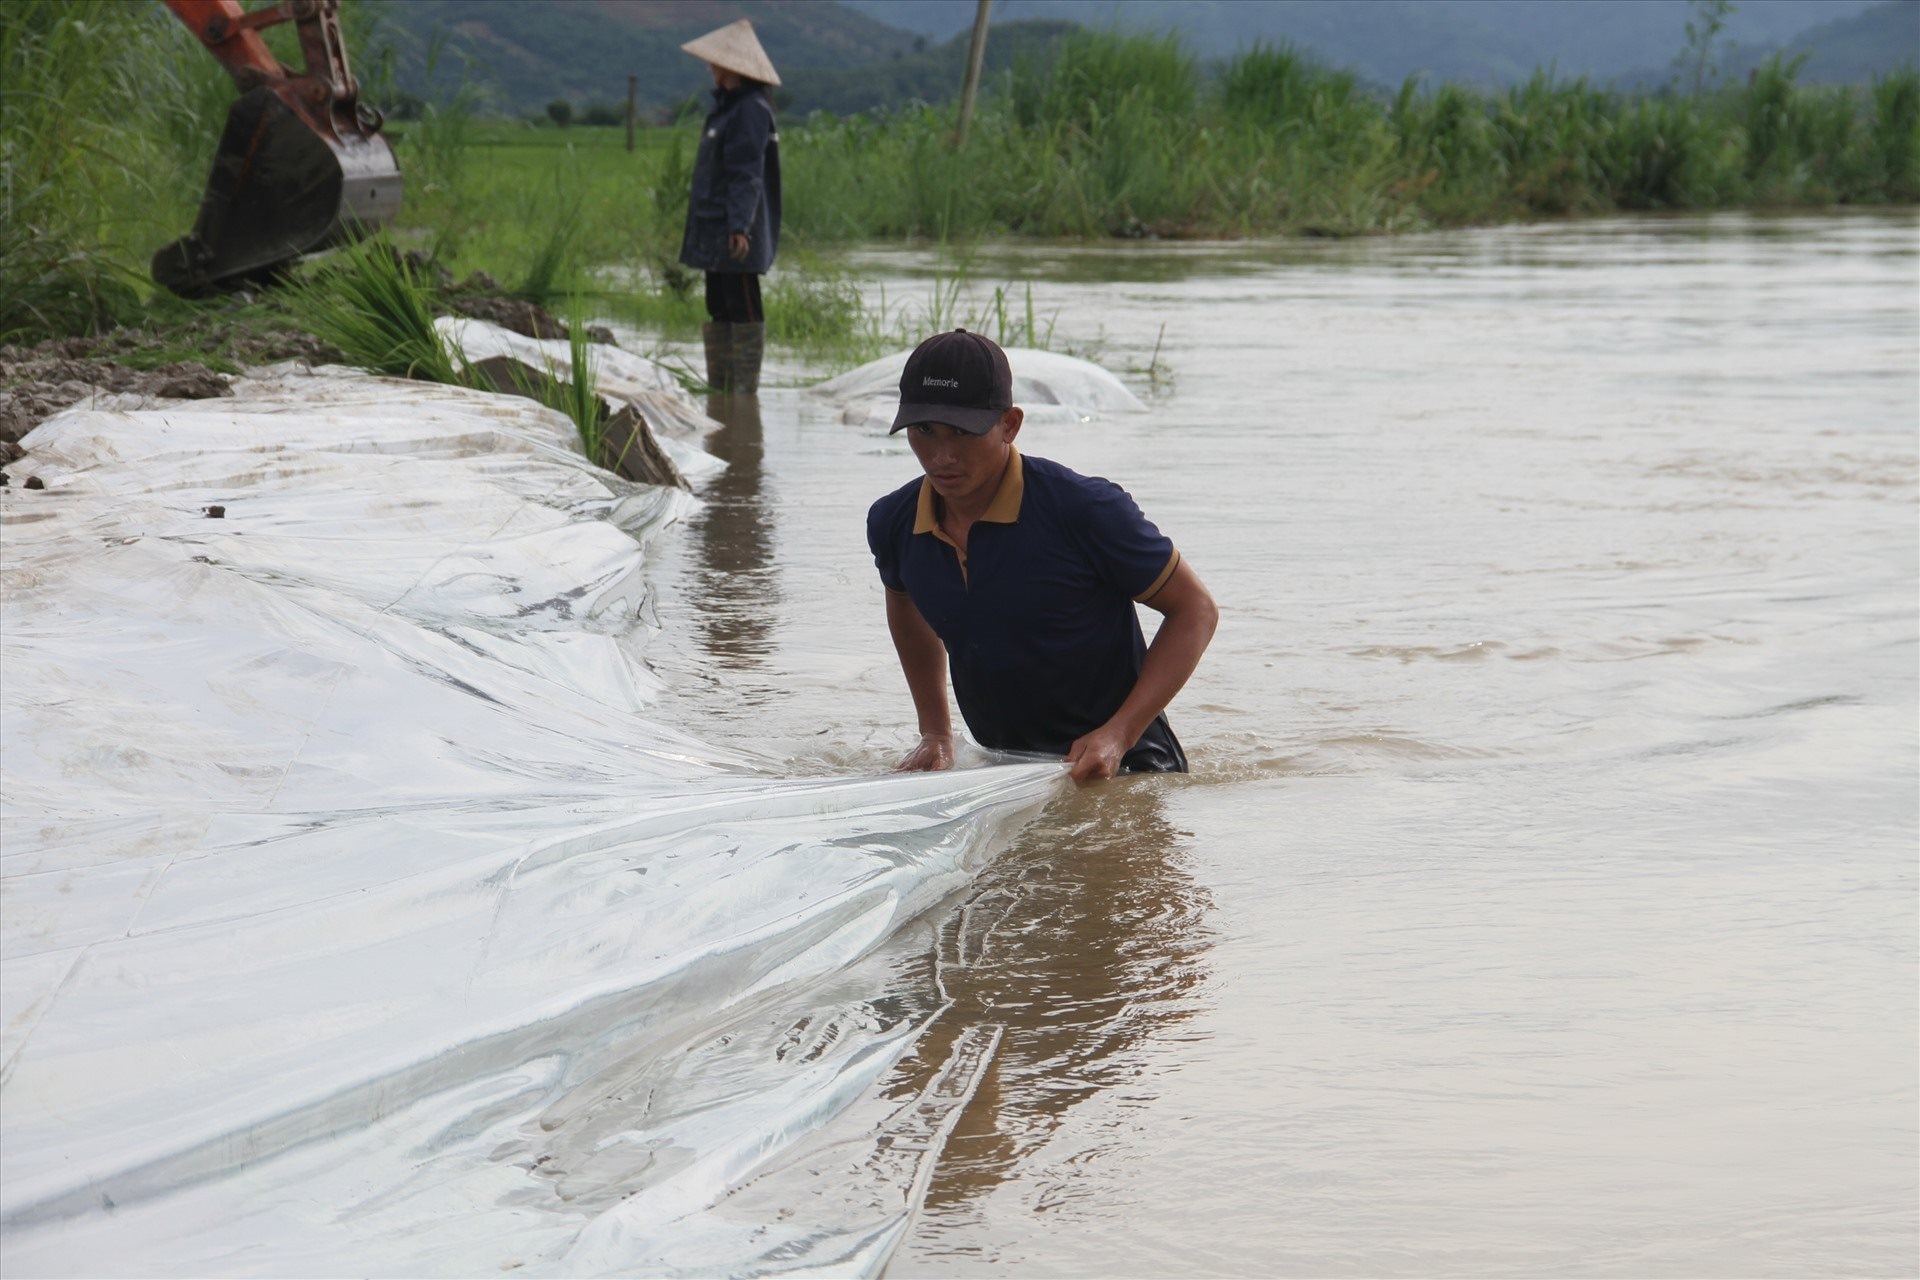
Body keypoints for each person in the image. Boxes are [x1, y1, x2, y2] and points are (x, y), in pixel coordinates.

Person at [867, 329, 1218, 783]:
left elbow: (1196, 610)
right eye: (924, 430)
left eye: (962, 431)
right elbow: (903, 599)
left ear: (1009, 424)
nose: (941, 455)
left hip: (1128, 771)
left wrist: (1118, 734)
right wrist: (935, 731)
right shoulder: (894, 522)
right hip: (1001, 771)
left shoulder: (1084, 510)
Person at [677, 19, 782, 395]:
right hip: (714, 227)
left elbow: (746, 173)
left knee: (742, 308)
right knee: (718, 305)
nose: (710, 68)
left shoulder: (750, 110)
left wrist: (740, 226)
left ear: (732, 68)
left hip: (736, 229)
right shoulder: (726, 110)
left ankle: (743, 394)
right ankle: (723, 391)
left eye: (715, 62)